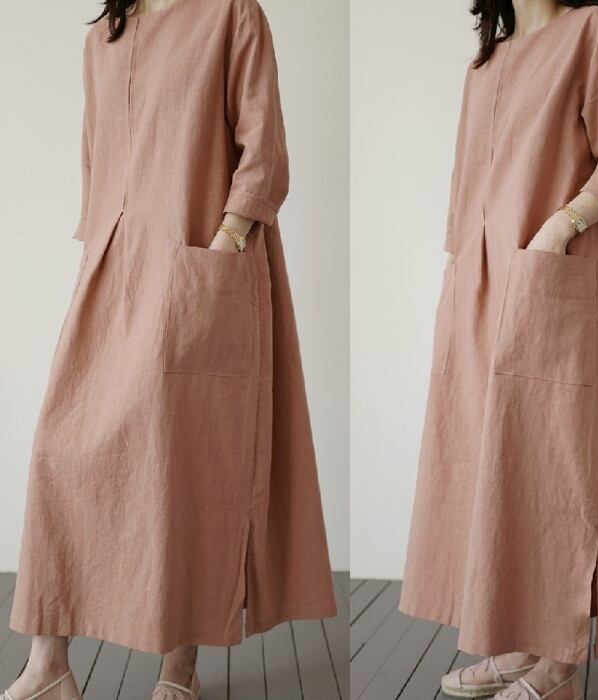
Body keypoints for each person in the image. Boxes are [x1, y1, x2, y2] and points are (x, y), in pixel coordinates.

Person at [5, 1, 336, 698]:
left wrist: (227, 240)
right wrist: (99, 257)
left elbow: (264, 147)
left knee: (188, 463)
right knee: (61, 452)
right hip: (114, 272)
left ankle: (178, 669)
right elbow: (97, 158)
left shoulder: (230, 13)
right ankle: (48, 664)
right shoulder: (104, 36)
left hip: (203, 265)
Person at [400, 1, 598, 698]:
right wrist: (458, 272)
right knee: (497, 463)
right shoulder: (486, 64)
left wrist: (560, 228)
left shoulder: (594, 31)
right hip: (481, 291)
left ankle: (558, 665)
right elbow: (466, 187)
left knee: (560, 462)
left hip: (559, 277)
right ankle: (520, 646)